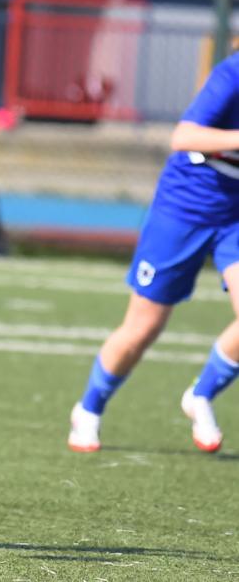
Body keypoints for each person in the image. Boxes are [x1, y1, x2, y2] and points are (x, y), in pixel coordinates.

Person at [68, 52, 239, 454]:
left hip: (236, 215)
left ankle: (200, 394)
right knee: (143, 328)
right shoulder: (232, 74)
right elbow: (184, 137)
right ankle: (89, 408)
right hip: (186, 207)